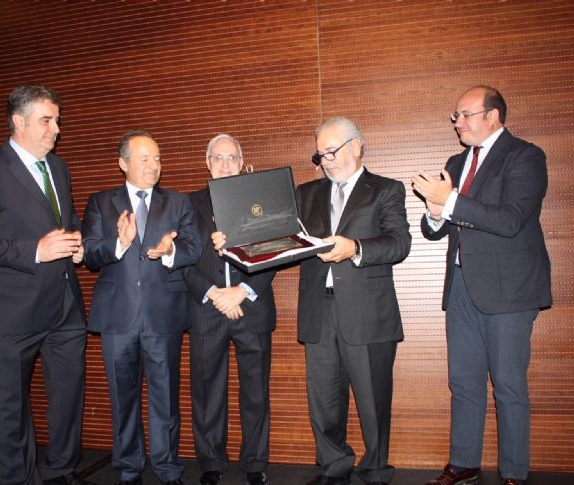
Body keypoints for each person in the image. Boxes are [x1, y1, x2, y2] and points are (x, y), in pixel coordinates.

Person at [412, 86, 551, 485]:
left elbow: (511, 219)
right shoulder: (455, 163)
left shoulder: (525, 156)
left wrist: (451, 201)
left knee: (507, 384)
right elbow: (436, 227)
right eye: (455, 116)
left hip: (510, 290)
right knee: (463, 381)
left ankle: (514, 473)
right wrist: (436, 213)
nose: (458, 122)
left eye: (466, 114)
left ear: (494, 116)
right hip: (460, 288)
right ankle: (464, 462)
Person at [0, 85, 92, 485]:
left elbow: (66, 221)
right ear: (19, 122)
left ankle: (60, 470)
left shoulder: (60, 169)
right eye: (47, 120)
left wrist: (77, 241)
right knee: (12, 410)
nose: (56, 129)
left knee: (68, 401)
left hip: (64, 308)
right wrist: (36, 249)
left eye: (57, 120)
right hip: (8, 313)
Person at [296, 116, 411, 485]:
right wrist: (235, 239)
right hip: (319, 309)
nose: (325, 160)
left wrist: (355, 248)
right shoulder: (305, 194)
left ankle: (375, 470)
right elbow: (278, 237)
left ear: (357, 146)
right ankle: (334, 467)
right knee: (324, 400)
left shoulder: (386, 190)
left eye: (332, 151)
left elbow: (399, 242)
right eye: (320, 154)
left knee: (373, 401)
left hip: (368, 312)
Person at [82, 129, 201, 485]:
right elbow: (89, 253)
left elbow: (194, 248)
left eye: (158, 158)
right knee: (123, 399)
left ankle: (167, 468)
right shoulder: (100, 202)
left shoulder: (178, 203)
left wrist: (170, 252)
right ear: (123, 163)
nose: (154, 165)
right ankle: (129, 469)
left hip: (162, 314)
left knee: (165, 398)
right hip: (117, 316)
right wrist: (118, 244)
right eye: (144, 158)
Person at [183, 134, 276, 485]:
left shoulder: (261, 200)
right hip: (206, 308)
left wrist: (242, 290)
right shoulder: (188, 205)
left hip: (252, 305)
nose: (224, 164)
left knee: (256, 390)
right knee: (208, 391)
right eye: (217, 158)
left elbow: (275, 251)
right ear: (207, 164)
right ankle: (210, 462)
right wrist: (213, 293)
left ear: (242, 162)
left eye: (231, 158)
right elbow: (182, 261)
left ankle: (255, 463)